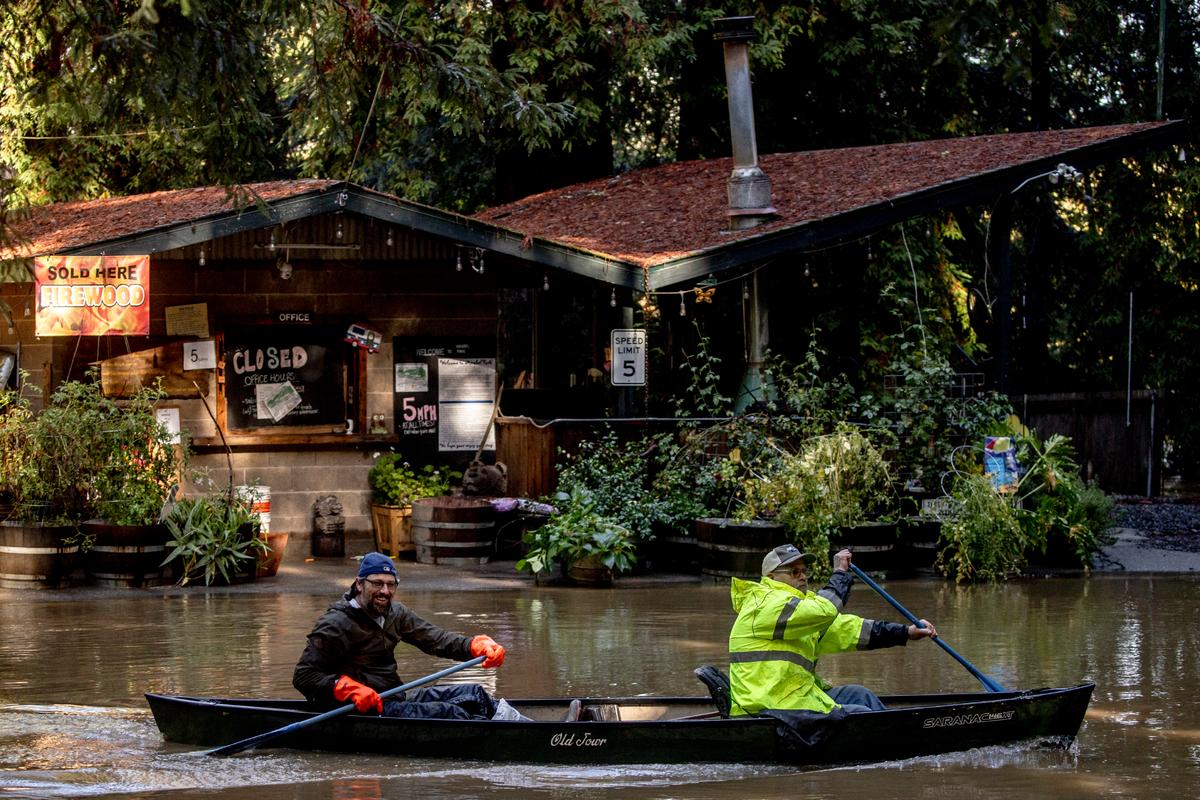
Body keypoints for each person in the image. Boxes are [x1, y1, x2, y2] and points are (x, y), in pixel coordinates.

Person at [728, 544, 938, 718]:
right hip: (769, 707)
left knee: (859, 696)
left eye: (804, 571)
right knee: (857, 714)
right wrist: (839, 574)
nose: (802, 577)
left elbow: (850, 630)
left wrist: (906, 632)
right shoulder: (764, 604)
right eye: (794, 571)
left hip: (794, 700)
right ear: (772, 578)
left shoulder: (798, 611)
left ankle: (897, 738)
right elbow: (824, 611)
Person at [293, 552, 509, 720]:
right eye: (377, 583)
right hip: (361, 708)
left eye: (391, 584)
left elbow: (438, 639)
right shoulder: (336, 623)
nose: (385, 591)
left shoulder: (396, 614)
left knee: (476, 694)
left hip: (394, 696)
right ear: (359, 584)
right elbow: (304, 676)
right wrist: (347, 688)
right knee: (454, 715)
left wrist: (475, 646)